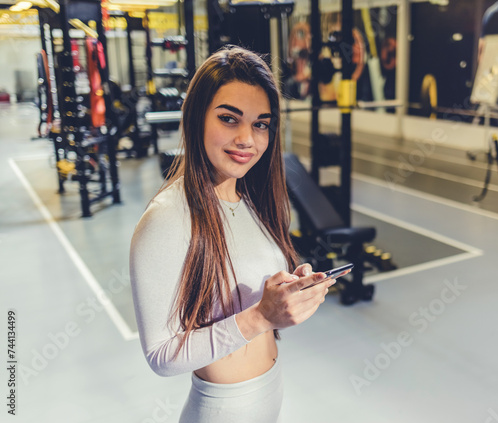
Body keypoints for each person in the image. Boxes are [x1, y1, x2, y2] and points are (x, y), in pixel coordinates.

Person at [129, 46, 345, 423]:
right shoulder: (167, 218)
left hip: (268, 394)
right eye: (230, 119)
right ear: (196, 118)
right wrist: (261, 316)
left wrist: (289, 291)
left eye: (260, 123)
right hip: (222, 410)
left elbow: (244, 297)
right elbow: (161, 357)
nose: (248, 138)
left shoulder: (253, 199)